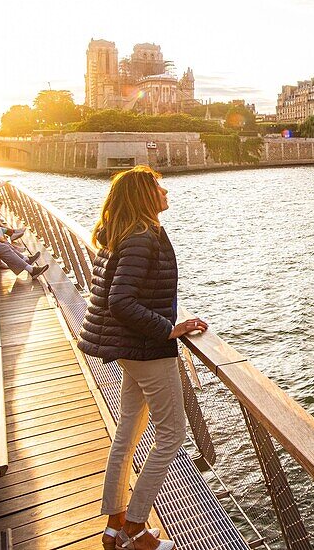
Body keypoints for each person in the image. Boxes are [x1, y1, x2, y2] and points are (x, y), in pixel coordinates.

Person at [77, 166, 207, 550]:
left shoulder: (119, 235)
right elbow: (121, 302)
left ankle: (115, 526)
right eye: (158, 186)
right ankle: (136, 530)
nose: (166, 191)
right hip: (146, 348)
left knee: (128, 433)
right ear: (144, 197)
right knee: (171, 435)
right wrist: (168, 329)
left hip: (129, 348)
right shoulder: (141, 237)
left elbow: (121, 297)